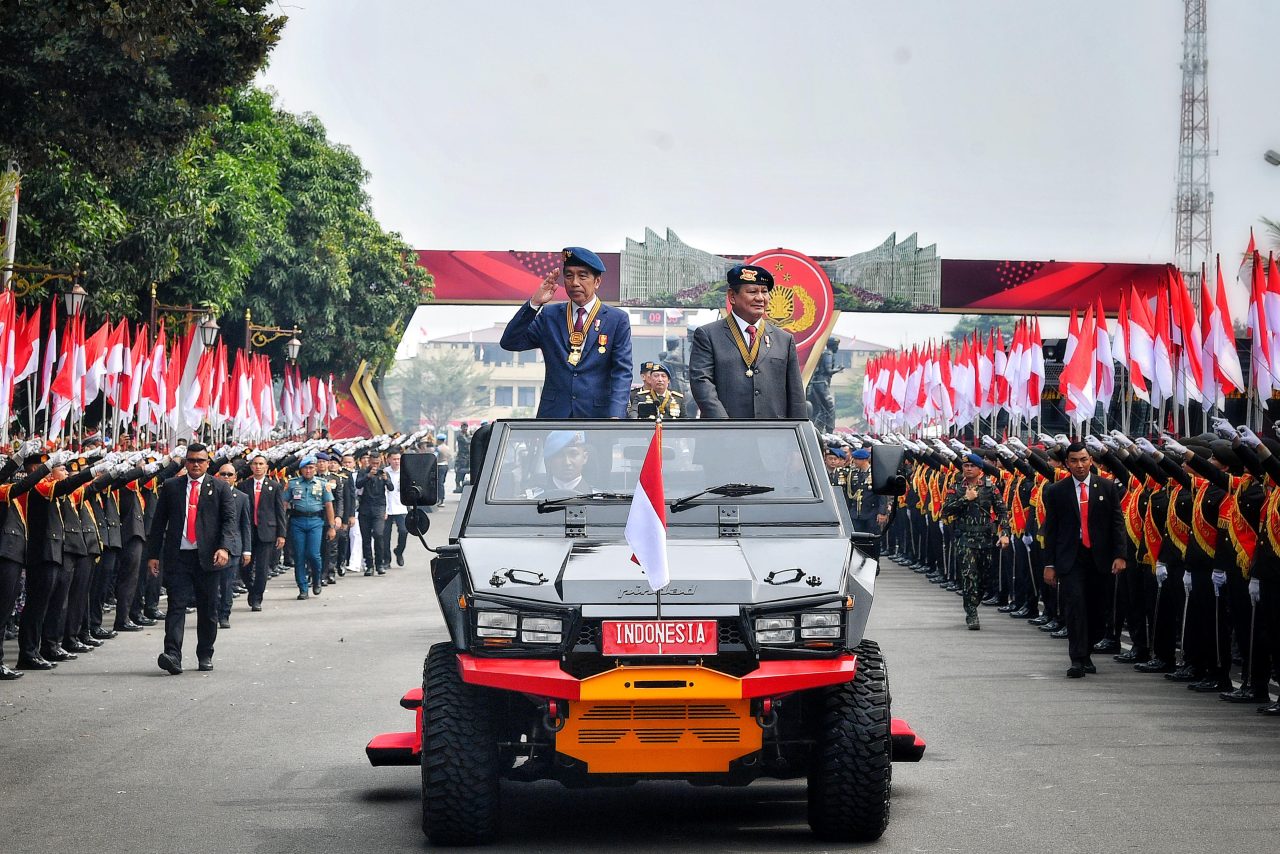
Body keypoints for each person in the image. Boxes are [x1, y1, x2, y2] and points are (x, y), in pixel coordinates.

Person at [499, 246, 633, 418]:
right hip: (554, 416)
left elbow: (622, 372)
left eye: (582, 276)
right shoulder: (550, 315)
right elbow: (510, 342)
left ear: (597, 281)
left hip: (598, 418)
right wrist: (534, 304)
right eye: (569, 276)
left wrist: (615, 416)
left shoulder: (616, 319)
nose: (574, 282)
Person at [144, 443, 238, 675]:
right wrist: (153, 554)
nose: (195, 464)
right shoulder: (172, 486)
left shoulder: (220, 487)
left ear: (208, 463)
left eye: (200, 460)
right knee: (176, 605)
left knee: (208, 608)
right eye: (191, 460)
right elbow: (158, 523)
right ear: (185, 462)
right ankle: (173, 655)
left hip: (208, 558)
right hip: (179, 557)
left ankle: (205, 653)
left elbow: (229, 521)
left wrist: (224, 548)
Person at [1041, 442, 1127, 678]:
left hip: (1099, 558)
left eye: (1083, 460)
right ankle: (1078, 659)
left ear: (1090, 460)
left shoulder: (1107, 487)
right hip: (1071, 558)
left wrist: (1120, 555)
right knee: (1075, 606)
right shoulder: (1057, 490)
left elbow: (1117, 524)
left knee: (1098, 609)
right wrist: (1049, 564)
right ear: (1067, 463)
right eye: (1074, 461)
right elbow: (1051, 530)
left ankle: (1088, 650)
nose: (1079, 465)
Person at [689, 264, 806, 419]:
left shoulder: (784, 339)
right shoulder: (708, 335)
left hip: (773, 436)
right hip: (724, 435)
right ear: (732, 296)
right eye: (752, 292)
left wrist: (798, 431)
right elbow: (702, 383)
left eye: (764, 292)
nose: (760, 298)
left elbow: (796, 394)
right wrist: (725, 425)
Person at [941, 453, 1011, 630]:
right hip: (965, 538)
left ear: (980, 469)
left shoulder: (989, 487)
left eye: (972, 466)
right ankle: (971, 612)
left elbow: (1002, 511)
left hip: (985, 539)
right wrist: (966, 498)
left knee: (984, 578)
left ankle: (974, 600)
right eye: (966, 466)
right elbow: (946, 510)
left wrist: (1005, 533)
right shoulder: (956, 487)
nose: (968, 469)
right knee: (969, 576)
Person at [239, 453, 287, 611]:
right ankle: (251, 590)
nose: (258, 467)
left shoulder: (274, 486)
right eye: (255, 464)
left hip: (267, 532)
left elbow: (280, 511)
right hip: (248, 532)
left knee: (262, 568)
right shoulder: (244, 486)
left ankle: (257, 598)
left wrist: (281, 534)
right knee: (245, 567)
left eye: (261, 464)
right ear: (251, 467)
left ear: (266, 467)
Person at [285, 455, 336, 599]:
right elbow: (283, 504)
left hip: (315, 521)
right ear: (301, 469)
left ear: (315, 469)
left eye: (311, 467)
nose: (308, 470)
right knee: (299, 555)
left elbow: (329, 506)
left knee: (314, 554)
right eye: (305, 468)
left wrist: (331, 527)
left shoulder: (322, 484)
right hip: (297, 521)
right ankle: (302, 588)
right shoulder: (293, 484)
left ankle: (317, 579)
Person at [214, 462, 252, 629]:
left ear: (235, 478)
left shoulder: (242, 497)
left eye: (230, 475)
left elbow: (245, 525)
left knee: (227, 584)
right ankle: (212, 614)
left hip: (233, 546)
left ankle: (224, 614)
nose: (226, 477)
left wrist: (247, 550)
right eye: (223, 474)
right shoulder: (209, 494)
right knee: (212, 584)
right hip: (212, 546)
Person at [356, 451, 390, 575]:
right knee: (366, 538)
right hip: (365, 508)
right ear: (369, 461)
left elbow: (391, 488)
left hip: (379, 508)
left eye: (377, 463)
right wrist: (368, 476)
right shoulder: (363, 472)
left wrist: (386, 479)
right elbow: (358, 484)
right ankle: (369, 565)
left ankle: (379, 563)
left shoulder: (384, 472)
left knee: (378, 534)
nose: (375, 465)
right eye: (373, 463)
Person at [845, 448, 889, 536]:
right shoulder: (853, 473)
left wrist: (882, 512)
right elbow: (850, 493)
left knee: (872, 537)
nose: (854, 461)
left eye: (857, 459)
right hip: (856, 513)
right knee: (857, 538)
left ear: (864, 460)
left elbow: (881, 495)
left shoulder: (875, 473)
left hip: (871, 512)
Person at [383, 451, 408, 566]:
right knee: (385, 534)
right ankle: (386, 559)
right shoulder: (384, 472)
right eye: (394, 459)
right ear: (388, 460)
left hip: (401, 506)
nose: (397, 461)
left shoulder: (405, 472)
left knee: (404, 531)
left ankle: (399, 551)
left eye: (398, 459)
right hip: (386, 507)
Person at [454, 424, 471, 493]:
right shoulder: (460, 436)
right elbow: (467, 441)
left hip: (467, 456)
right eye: (464, 427)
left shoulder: (467, 435)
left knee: (466, 471)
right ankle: (458, 486)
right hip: (462, 456)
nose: (465, 429)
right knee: (459, 472)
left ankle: (463, 485)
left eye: (466, 427)